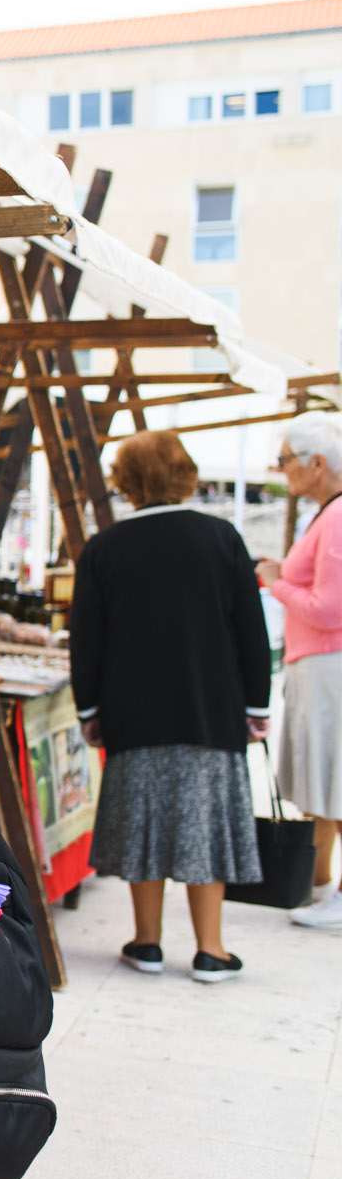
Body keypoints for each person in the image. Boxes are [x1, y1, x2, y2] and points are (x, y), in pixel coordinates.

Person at [69, 430, 269, 977]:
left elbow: (86, 640)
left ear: (125, 482)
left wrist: (89, 711)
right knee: (205, 824)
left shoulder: (103, 547)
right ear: (185, 471)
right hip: (213, 708)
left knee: (143, 825)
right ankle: (211, 949)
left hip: (132, 712)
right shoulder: (222, 537)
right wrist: (258, 705)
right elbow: (251, 632)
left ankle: (147, 942)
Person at [257, 413, 342, 926]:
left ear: (317, 462)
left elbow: (329, 609)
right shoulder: (327, 513)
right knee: (326, 778)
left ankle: (329, 890)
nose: (281, 467)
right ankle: (322, 885)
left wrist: (273, 580)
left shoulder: (334, 517)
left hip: (327, 663)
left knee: (330, 778)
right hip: (320, 662)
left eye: (287, 459)